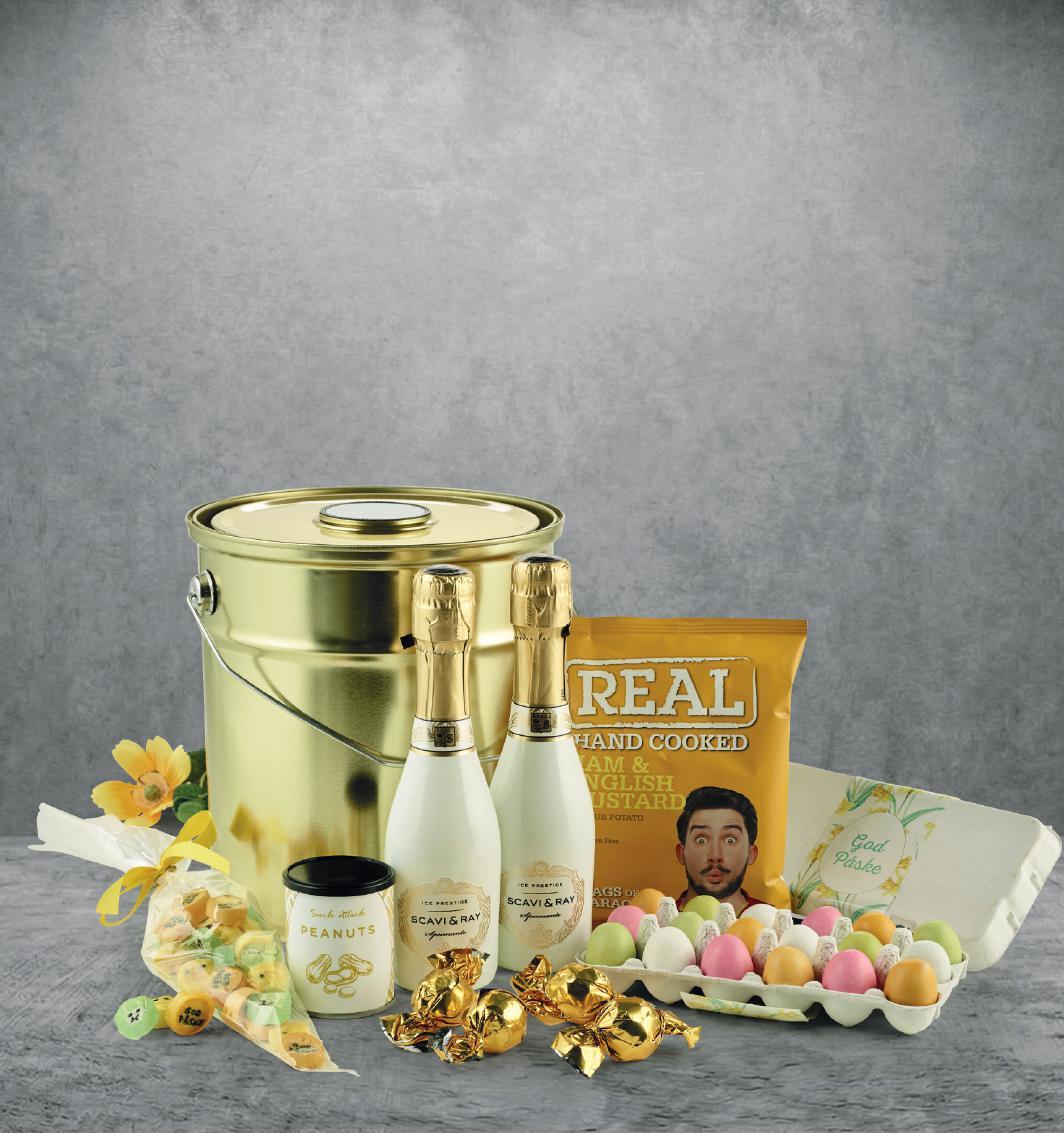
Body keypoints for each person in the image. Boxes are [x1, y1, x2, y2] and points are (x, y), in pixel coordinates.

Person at [675, 785, 765, 914]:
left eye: (730, 840)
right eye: (701, 840)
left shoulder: (774, 919)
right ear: (681, 853)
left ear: (751, 854)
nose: (715, 856)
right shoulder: (659, 920)